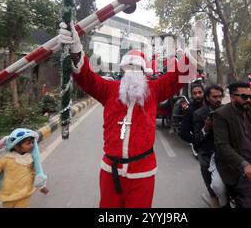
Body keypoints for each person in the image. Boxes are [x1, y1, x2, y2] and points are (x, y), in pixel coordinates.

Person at [58, 21, 204, 208]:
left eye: (138, 69)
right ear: (122, 70)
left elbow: (176, 77)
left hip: (142, 172)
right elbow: (87, 77)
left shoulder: (153, 90)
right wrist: (76, 50)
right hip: (111, 171)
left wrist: (193, 52)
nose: (133, 73)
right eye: (129, 68)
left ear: (145, 73)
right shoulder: (109, 90)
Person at [0, 128, 48, 208]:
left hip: (25, 194)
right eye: (28, 143)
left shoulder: (30, 158)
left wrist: (41, 186)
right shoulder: (6, 159)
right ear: (17, 146)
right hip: (8, 197)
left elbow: (35, 173)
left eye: (32, 142)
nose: (32, 145)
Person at [192, 84, 224, 208]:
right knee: (205, 166)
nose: (218, 99)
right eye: (215, 97)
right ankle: (213, 196)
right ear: (207, 98)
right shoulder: (199, 114)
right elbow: (196, 139)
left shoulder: (226, 110)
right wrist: (205, 128)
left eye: (220, 96)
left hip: (224, 148)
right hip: (206, 150)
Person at [180, 83, 205, 156]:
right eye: (195, 93)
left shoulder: (211, 106)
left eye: (200, 92)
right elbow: (184, 134)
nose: (198, 95)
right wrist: (196, 141)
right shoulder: (189, 110)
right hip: (201, 148)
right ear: (191, 95)